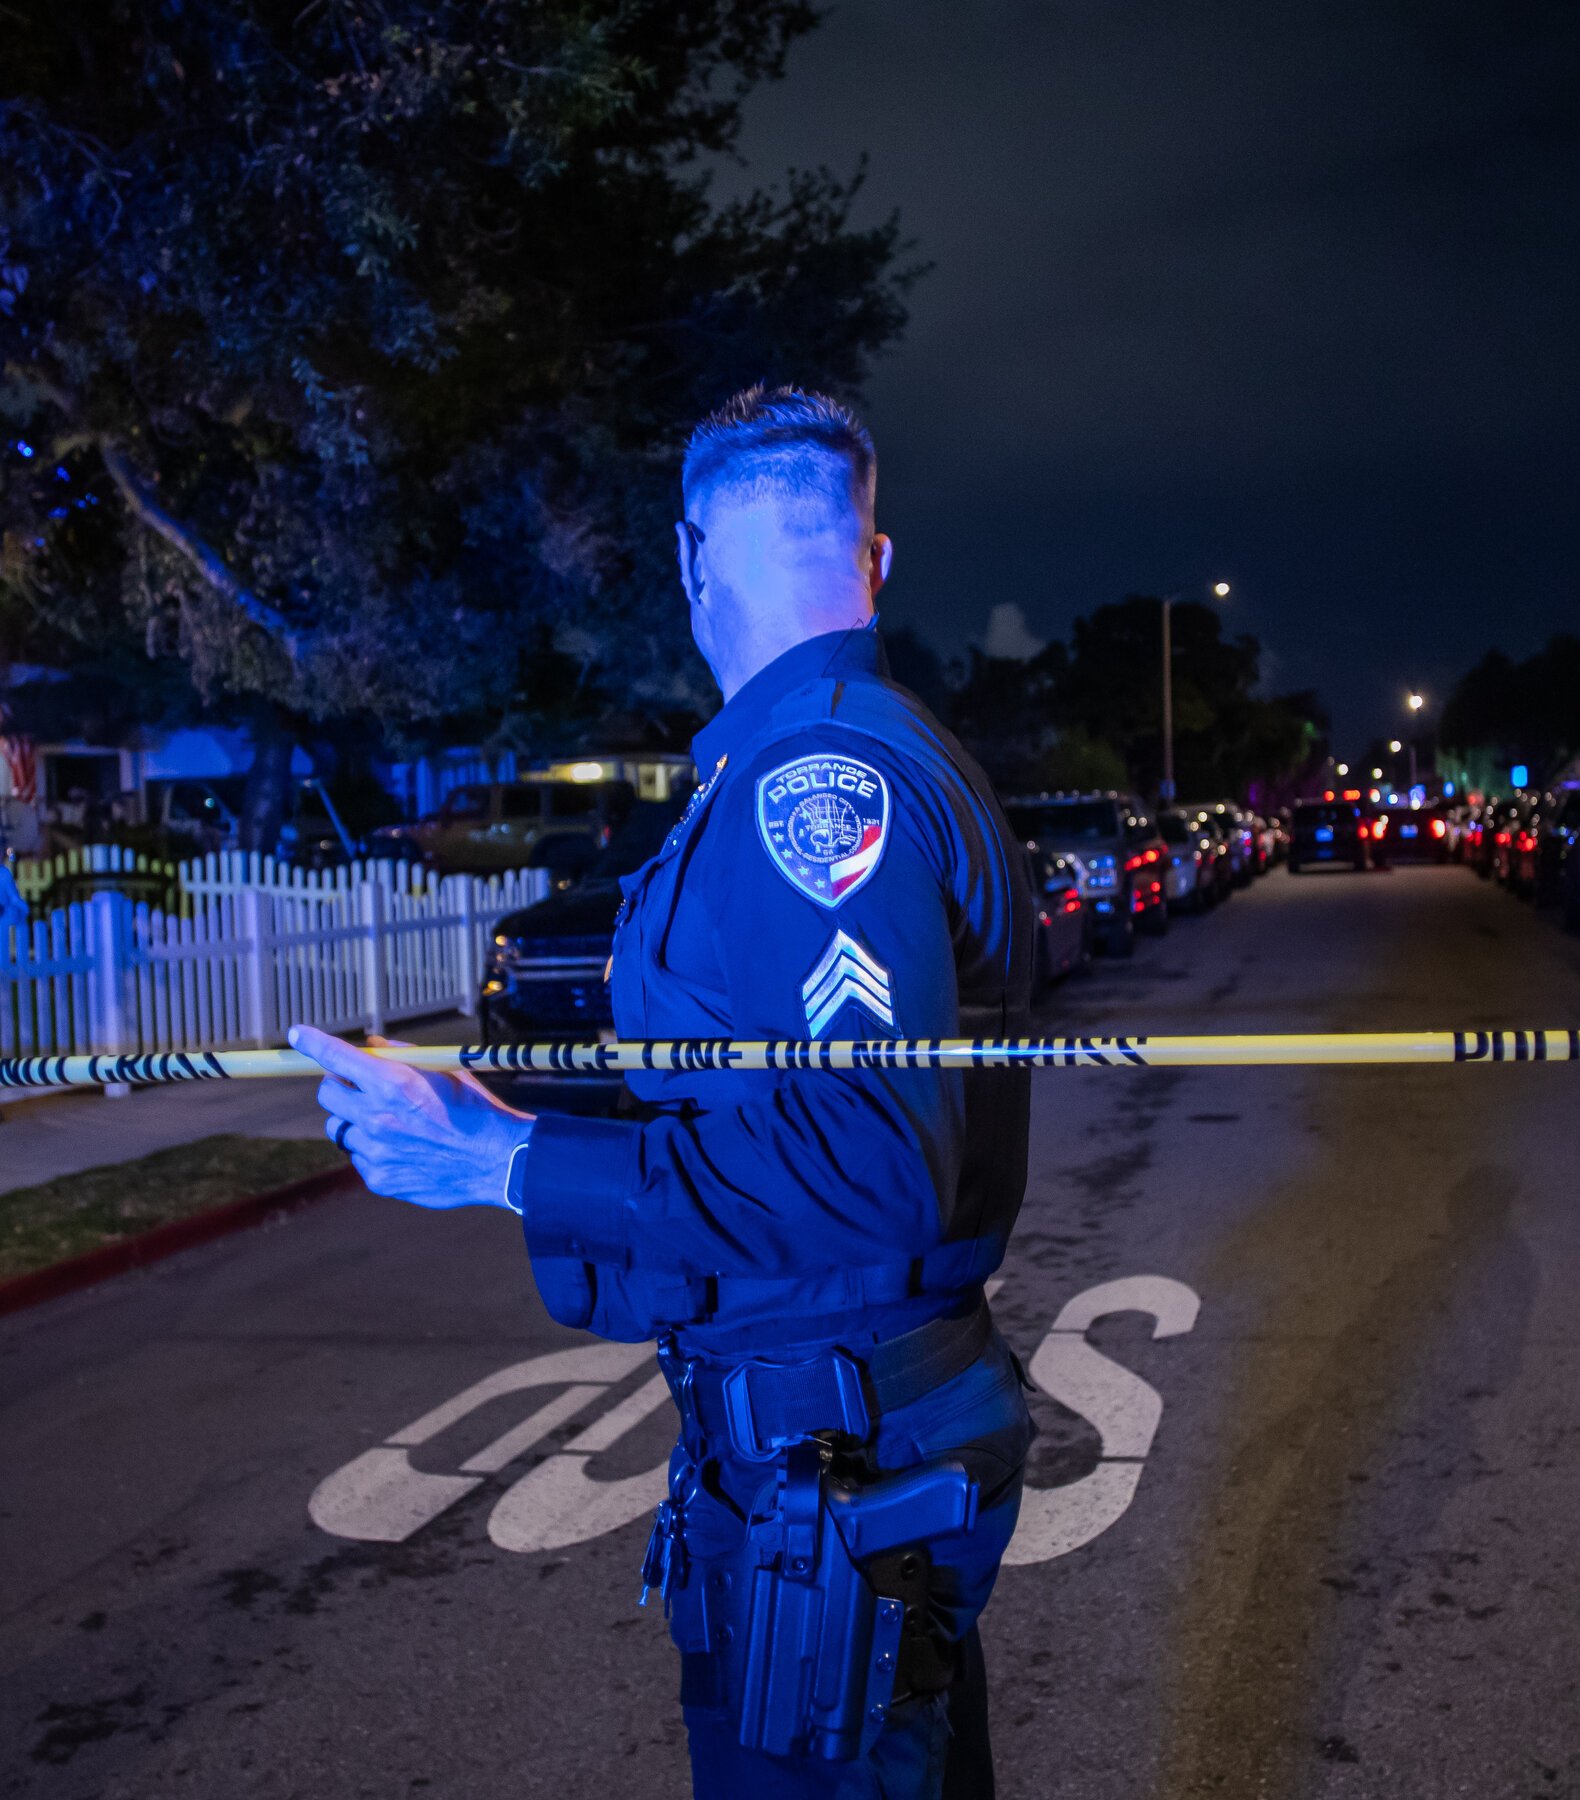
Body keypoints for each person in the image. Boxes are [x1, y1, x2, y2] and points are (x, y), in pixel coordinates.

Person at [292, 385, 1036, 1799]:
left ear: (693, 560)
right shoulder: (832, 753)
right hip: (839, 1434)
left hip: (839, 1446)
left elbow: (872, 1166)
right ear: (875, 560)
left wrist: (505, 1163)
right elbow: (772, 1107)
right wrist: (509, 1124)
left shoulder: (815, 779)